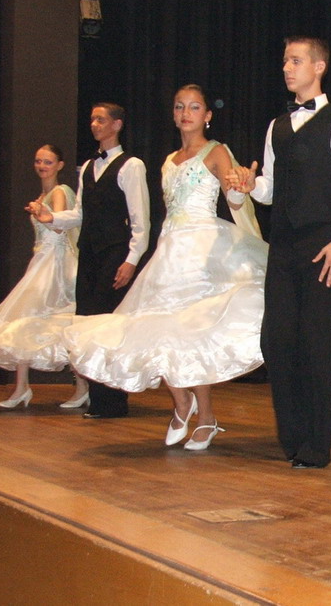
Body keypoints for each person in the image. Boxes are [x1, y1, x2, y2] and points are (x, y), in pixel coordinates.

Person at [63, 85, 266, 450]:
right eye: (179, 107)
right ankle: (182, 402)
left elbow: (235, 200)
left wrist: (240, 186)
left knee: (190, 334)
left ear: (207, 115)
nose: (185, 113)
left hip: (200, 251)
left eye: (194, 107)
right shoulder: (169, 159)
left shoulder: (216, 151)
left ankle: (206, 416)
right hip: (169, 250)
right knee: (159, 330)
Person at [228, 36, 331, 468]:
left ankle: (316, 446)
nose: (287, 68)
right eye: (285, 61)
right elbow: (272, 189)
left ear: (319, 66)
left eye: (295, 61)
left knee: (318, 346)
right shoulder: (277, 126)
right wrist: (252, 186)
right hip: (284, 248)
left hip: (324, 246)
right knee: (278, 341)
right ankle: (291, 437)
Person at [29, 104, 150, 418]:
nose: (94, 124)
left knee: (109, 325)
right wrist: (51, 217)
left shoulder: (131, 165)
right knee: (86, 323)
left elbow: (141, 220)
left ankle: (114, 401)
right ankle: (98, 399)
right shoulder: (87, 167)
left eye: (101, 119)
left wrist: (131, 260)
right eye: (93, 119)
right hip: (90, 254)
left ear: (117, 124)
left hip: (115, 253)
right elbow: (80, 214)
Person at [0, 145, 84, 408]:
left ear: (59, 165)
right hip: (41, 261)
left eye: (48, 162)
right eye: (38, 161)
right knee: (23, 322)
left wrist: (41, 213)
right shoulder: (42, 195)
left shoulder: (59, 192)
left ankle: (82, 388)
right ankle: (21, 387)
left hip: (56, 265)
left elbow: (59, 228)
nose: (42, 166)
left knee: (63, 323)